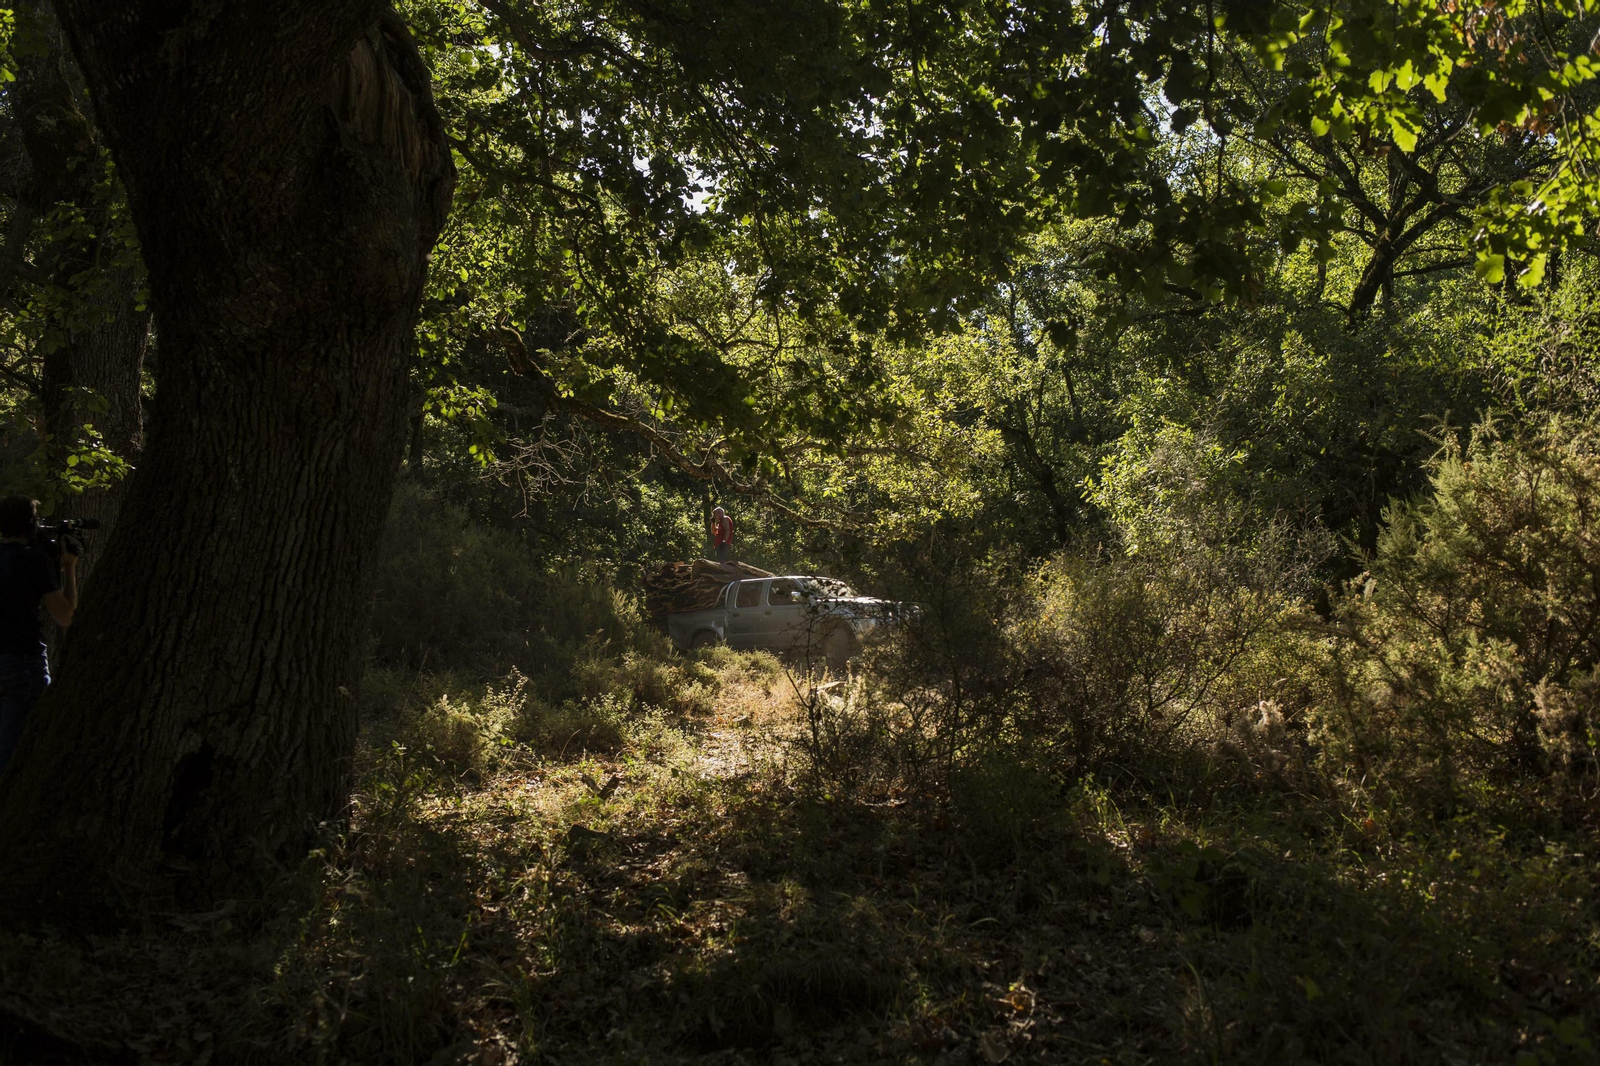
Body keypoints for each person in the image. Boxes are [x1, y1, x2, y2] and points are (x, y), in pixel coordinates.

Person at [0, 495, 76, 773]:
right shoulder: (32, 560)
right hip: (22, 662)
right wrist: (69, 568)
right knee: (18, 749)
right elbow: (65, 616)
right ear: (31, 525)